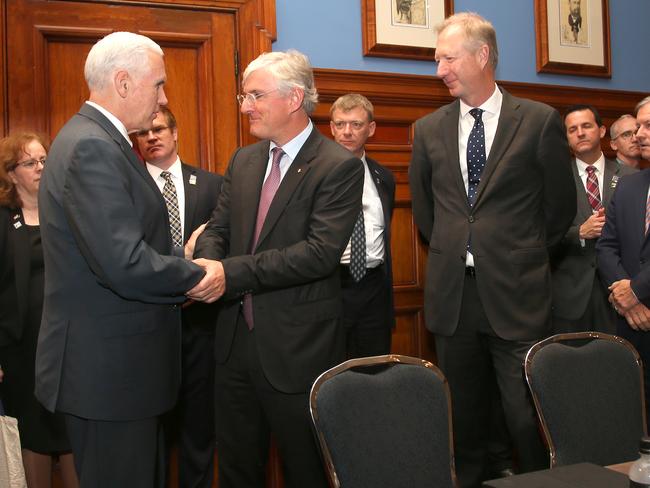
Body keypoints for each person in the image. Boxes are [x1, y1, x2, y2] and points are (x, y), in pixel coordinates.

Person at [35, 31, 224, 487]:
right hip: (110, 376)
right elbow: (124, 262)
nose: (163, 97)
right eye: (158, 84)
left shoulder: (100, 139)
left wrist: (176, 258)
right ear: (123, 83)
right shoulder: (93, 146)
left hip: (119, 373)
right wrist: (199, 273)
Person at [408, 12, 576, 488]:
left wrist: (515, 252)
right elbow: (426, 212)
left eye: (447, 58)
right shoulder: (428, 129)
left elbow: (559, 209)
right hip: (453, 298)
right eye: (436, 59)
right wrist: (458, 247)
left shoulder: (539, 121)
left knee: (526, 416)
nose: (439, 69)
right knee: (462, 420)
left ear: (482, 56)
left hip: (518, 295)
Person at [193, 49, 363, 488]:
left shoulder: (337, 166)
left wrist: (230, 273)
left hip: (298, 349)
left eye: (254, 95)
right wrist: (207, 261)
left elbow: (318, 253)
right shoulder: (244, 161)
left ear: (292, 98)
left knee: (305, 469)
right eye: (243, 96)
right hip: (233, 346)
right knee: (236, 470)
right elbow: (218, 227)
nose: (245, 105)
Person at [135, 105, 222, 488]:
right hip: (147, 328)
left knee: (199, 429)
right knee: (150, 434)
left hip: (201, 326)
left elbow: (226, 244)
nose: (151, 137)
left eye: (159, 129)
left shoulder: (212, 185)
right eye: (143, 132)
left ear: (175, 133)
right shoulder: (129, 184)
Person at [0, 133, 78, 488]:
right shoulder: (3, 219)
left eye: (45, 160)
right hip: (20, 349)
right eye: (30, 162)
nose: (41, 168)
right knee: (32, 433)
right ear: (11, 173)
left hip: (68, 344)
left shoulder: (65, 209)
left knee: (71, 430)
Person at [552, 105, 636, 334]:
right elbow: (540, 235)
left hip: (624, 292)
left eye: (586, 126)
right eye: (572, 129)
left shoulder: (631, 178)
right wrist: (579, 232)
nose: (580, 133)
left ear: (601, 131)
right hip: (571, 298)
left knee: (624, 366)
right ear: (566, 137)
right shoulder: (554, 180)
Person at [329, 93, 395, 358]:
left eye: (356, 124)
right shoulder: (312, 177)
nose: (347, 132)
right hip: (332, 285)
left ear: (371, 128)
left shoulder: (384, 177)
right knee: (333, 373)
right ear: (331, 128)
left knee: (374, 369)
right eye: (340, 124)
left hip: (374, 287)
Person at [597, 95, 650, 427]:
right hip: (633, 329)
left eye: (647, 126)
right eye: (636, 127)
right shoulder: (629, 186)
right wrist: (626, 298)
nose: (638, 135)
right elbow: (606, 247)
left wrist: (637, 290)